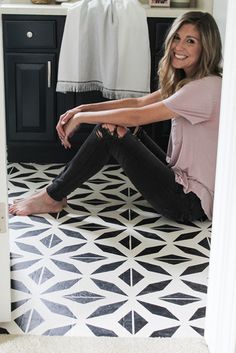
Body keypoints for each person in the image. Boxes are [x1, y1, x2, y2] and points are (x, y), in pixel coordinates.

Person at [9, 11, 222, 223]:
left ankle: (51, 196)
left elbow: (137, 115)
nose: (178, 47)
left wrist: (81, 119)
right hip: (181, 182)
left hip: (188, 203)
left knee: (109, 130)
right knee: (121, 127)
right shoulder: (191, 81)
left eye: (190, 41)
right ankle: (53, 193)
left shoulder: (203, 88)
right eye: (177, 37)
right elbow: (138, 103)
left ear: (206, 48)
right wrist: (82, 109)